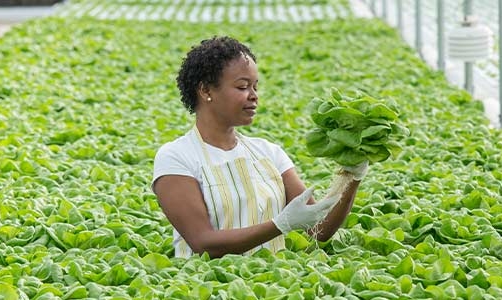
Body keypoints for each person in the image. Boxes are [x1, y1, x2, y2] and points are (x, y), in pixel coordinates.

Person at [151, 36, 368, 258]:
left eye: (255, 86)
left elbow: (318, 228)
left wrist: (351, 175)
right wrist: (279, 225)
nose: (254, 96)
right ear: (206, 91)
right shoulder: (177, 156)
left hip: (273, 287)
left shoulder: (268, 152)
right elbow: (203, 242)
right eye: (242, 86)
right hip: (208, 288)